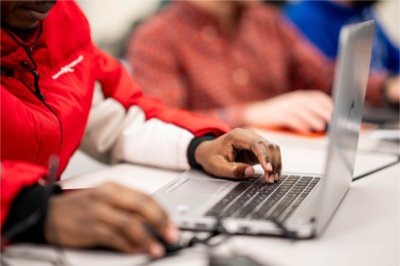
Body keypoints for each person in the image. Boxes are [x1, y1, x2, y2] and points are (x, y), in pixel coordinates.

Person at [0, 0, 282, 258]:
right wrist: (29, 209)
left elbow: (115, 118)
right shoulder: (159, 33)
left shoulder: (62, 23)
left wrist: (199, 147)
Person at [127, 0, 399, 132]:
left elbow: (321, 76)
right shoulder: (156, 37)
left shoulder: (265, 20)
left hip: (287, 159)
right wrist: (249, 115)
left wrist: (388, 87)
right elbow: (161, 124)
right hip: (211, 174)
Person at [284, 0, 400, 75]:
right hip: (360, 106)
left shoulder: (362, 10)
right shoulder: (306, 19)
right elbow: (326, 82)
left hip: (378, 99)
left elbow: (395, 57)